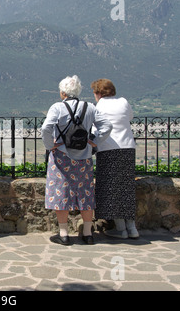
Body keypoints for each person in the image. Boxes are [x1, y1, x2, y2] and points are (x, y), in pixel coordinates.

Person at [41, 75, 112, 245]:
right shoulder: (90, 107)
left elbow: (46, 128)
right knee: (86, 193)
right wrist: (94, 141)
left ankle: (64, 234)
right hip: (84, 157)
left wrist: (50, 145)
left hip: (62, 156)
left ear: (63, 92)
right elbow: (107, 126)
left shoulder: (57, 107)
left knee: (61, 192)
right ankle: (88, 233)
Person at [91, 79, 138, 239]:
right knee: (126, 188)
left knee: (111, 189)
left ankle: (121, 229)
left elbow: (96, 128)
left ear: (98, 93)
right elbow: (130, 117)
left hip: (108, 149)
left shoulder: (100, 106)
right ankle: (132, 228)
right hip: (127, 148)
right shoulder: (124, 102)